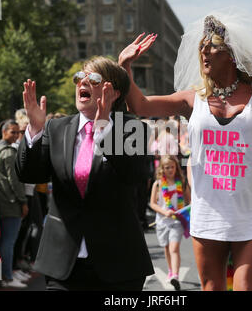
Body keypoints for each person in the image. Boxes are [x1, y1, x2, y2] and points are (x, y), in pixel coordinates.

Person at [119, 8, 252, 290]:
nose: (205, 53)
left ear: (232, 55)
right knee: (211, 288)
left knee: (246, 287)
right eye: (202, 48)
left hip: (250, 215)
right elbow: (140, 106)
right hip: (208, 214)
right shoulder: (192, 100)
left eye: (213, 48)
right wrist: (125, 68)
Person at [15, 56, 154, 291]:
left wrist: (104, 131)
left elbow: (135, 176)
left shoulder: (133, 129)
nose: (83, 83)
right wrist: (36, 130)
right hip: (63, 262)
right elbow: (30, 174)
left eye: (94, 79)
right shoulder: (55, 128)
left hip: (118, 263)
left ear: (115, 92)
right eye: (79, 77)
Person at [0, 120, 29, 289]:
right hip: (10, 203)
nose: (15, 135)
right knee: (8, 242)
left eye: (17, 132)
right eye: (12, 132)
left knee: (0, 242)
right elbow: (15, 181)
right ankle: (6, 275)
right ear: (3, 132)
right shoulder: (8, 153)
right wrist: (23, 201)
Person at [150, 155, 191, 290]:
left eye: (173, 167)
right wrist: (164, 212)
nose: (170, 170)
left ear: (176, 167)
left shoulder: (181, 182)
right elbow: (152, 204)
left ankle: (175, 276)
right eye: (167, 167)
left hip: (176, 222)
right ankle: (170, 269)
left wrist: (183, 211)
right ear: (162, 169)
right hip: (162, 222)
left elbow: (189, 201)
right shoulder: (158, 184)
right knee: (166, 248)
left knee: (174, 248)